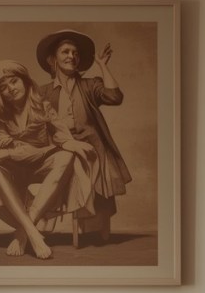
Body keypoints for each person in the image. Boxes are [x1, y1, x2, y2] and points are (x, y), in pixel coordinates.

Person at [0, 59, 96, 258]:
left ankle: (23, 233)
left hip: (41, 164)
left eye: (14, 81)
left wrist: (75, 144)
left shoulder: (43, 107)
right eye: (3, 87)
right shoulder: (0, 116)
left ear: (25, 81)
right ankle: (33, 232)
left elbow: (61, 138)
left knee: (66, 156)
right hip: (15, 170)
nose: (11, 89)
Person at [35, 30, 132, 239]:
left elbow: (115, 97)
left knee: (94, 160)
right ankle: (39, 224)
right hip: (58, 146)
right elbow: (35, 124)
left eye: (75, 53)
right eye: (66, 52)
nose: (72, 56)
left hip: (92, 145)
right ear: (53, 59)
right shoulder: (42, 92)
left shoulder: (90, 85)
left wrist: (103, 66)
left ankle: (94, 230)